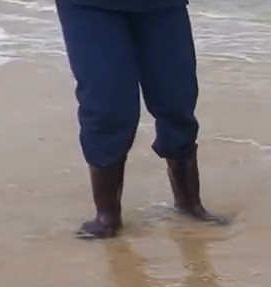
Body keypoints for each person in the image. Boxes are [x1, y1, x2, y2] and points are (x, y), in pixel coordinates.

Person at [53, 0, 225, 239]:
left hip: (162, 5)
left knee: (177, 97)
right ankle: (107, 216)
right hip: (90, 7)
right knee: (108, 105)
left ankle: (190, 205)